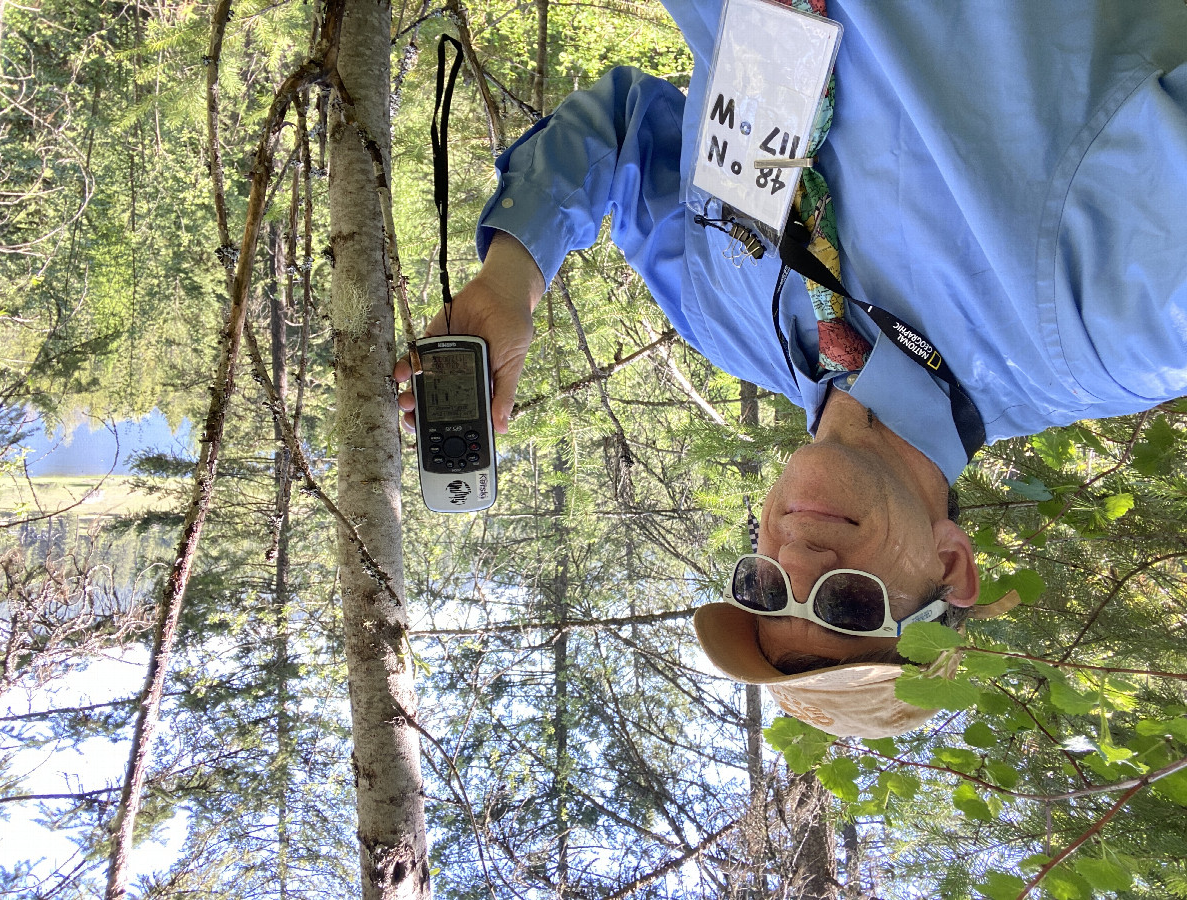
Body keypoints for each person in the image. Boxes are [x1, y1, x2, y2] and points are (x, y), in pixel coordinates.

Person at [397, 0, 1187, 737]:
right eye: (848, 604)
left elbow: (625, 128)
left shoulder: (725, 324)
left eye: (766, 592)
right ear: (951, 564)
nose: (799, 562)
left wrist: (511, 278)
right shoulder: (1117, 335)